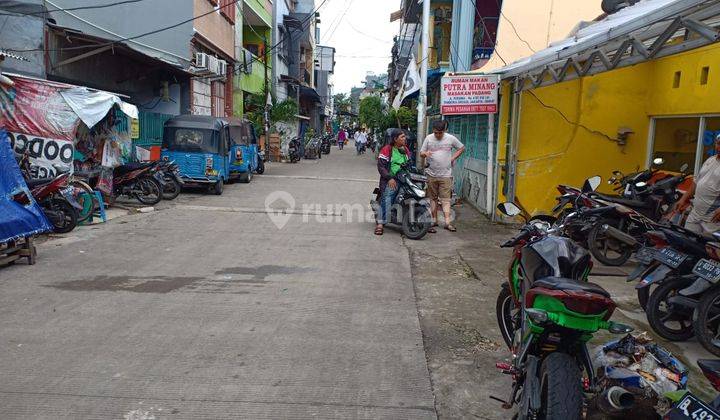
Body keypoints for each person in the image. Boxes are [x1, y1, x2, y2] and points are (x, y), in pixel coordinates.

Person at [420, 120, 465, 232]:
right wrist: (425, 154)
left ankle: (447, 223)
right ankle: (434, 220)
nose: (438, 135)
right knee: (433, 198)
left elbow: (462, 148)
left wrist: (453, 157)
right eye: (436, 133)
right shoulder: (429, 138)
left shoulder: (450, 138)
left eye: (440, 133)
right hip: (431, 174)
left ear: (444, 130)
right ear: (433, 131)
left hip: (446, 175)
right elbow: (421, 152)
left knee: (446, 199)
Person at [674, 133, 720, 235]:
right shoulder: (710, 160)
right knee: (688, 243)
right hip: (695, 213)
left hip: (712, 219)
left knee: (708, 249)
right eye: (718, 144)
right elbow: (696, 183)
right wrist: (683, 199)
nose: (719, 147)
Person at [374, 129, 411, 236]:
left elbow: (410, 164)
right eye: (402, 137)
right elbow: (381, 167)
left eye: (405, 137)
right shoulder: (387, 149)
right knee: (388, 197)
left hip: (405, 178)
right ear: (395, 139)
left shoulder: (406, 150)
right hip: (392, 179)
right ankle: (380, 223)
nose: (405, 139)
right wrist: (390, 178)